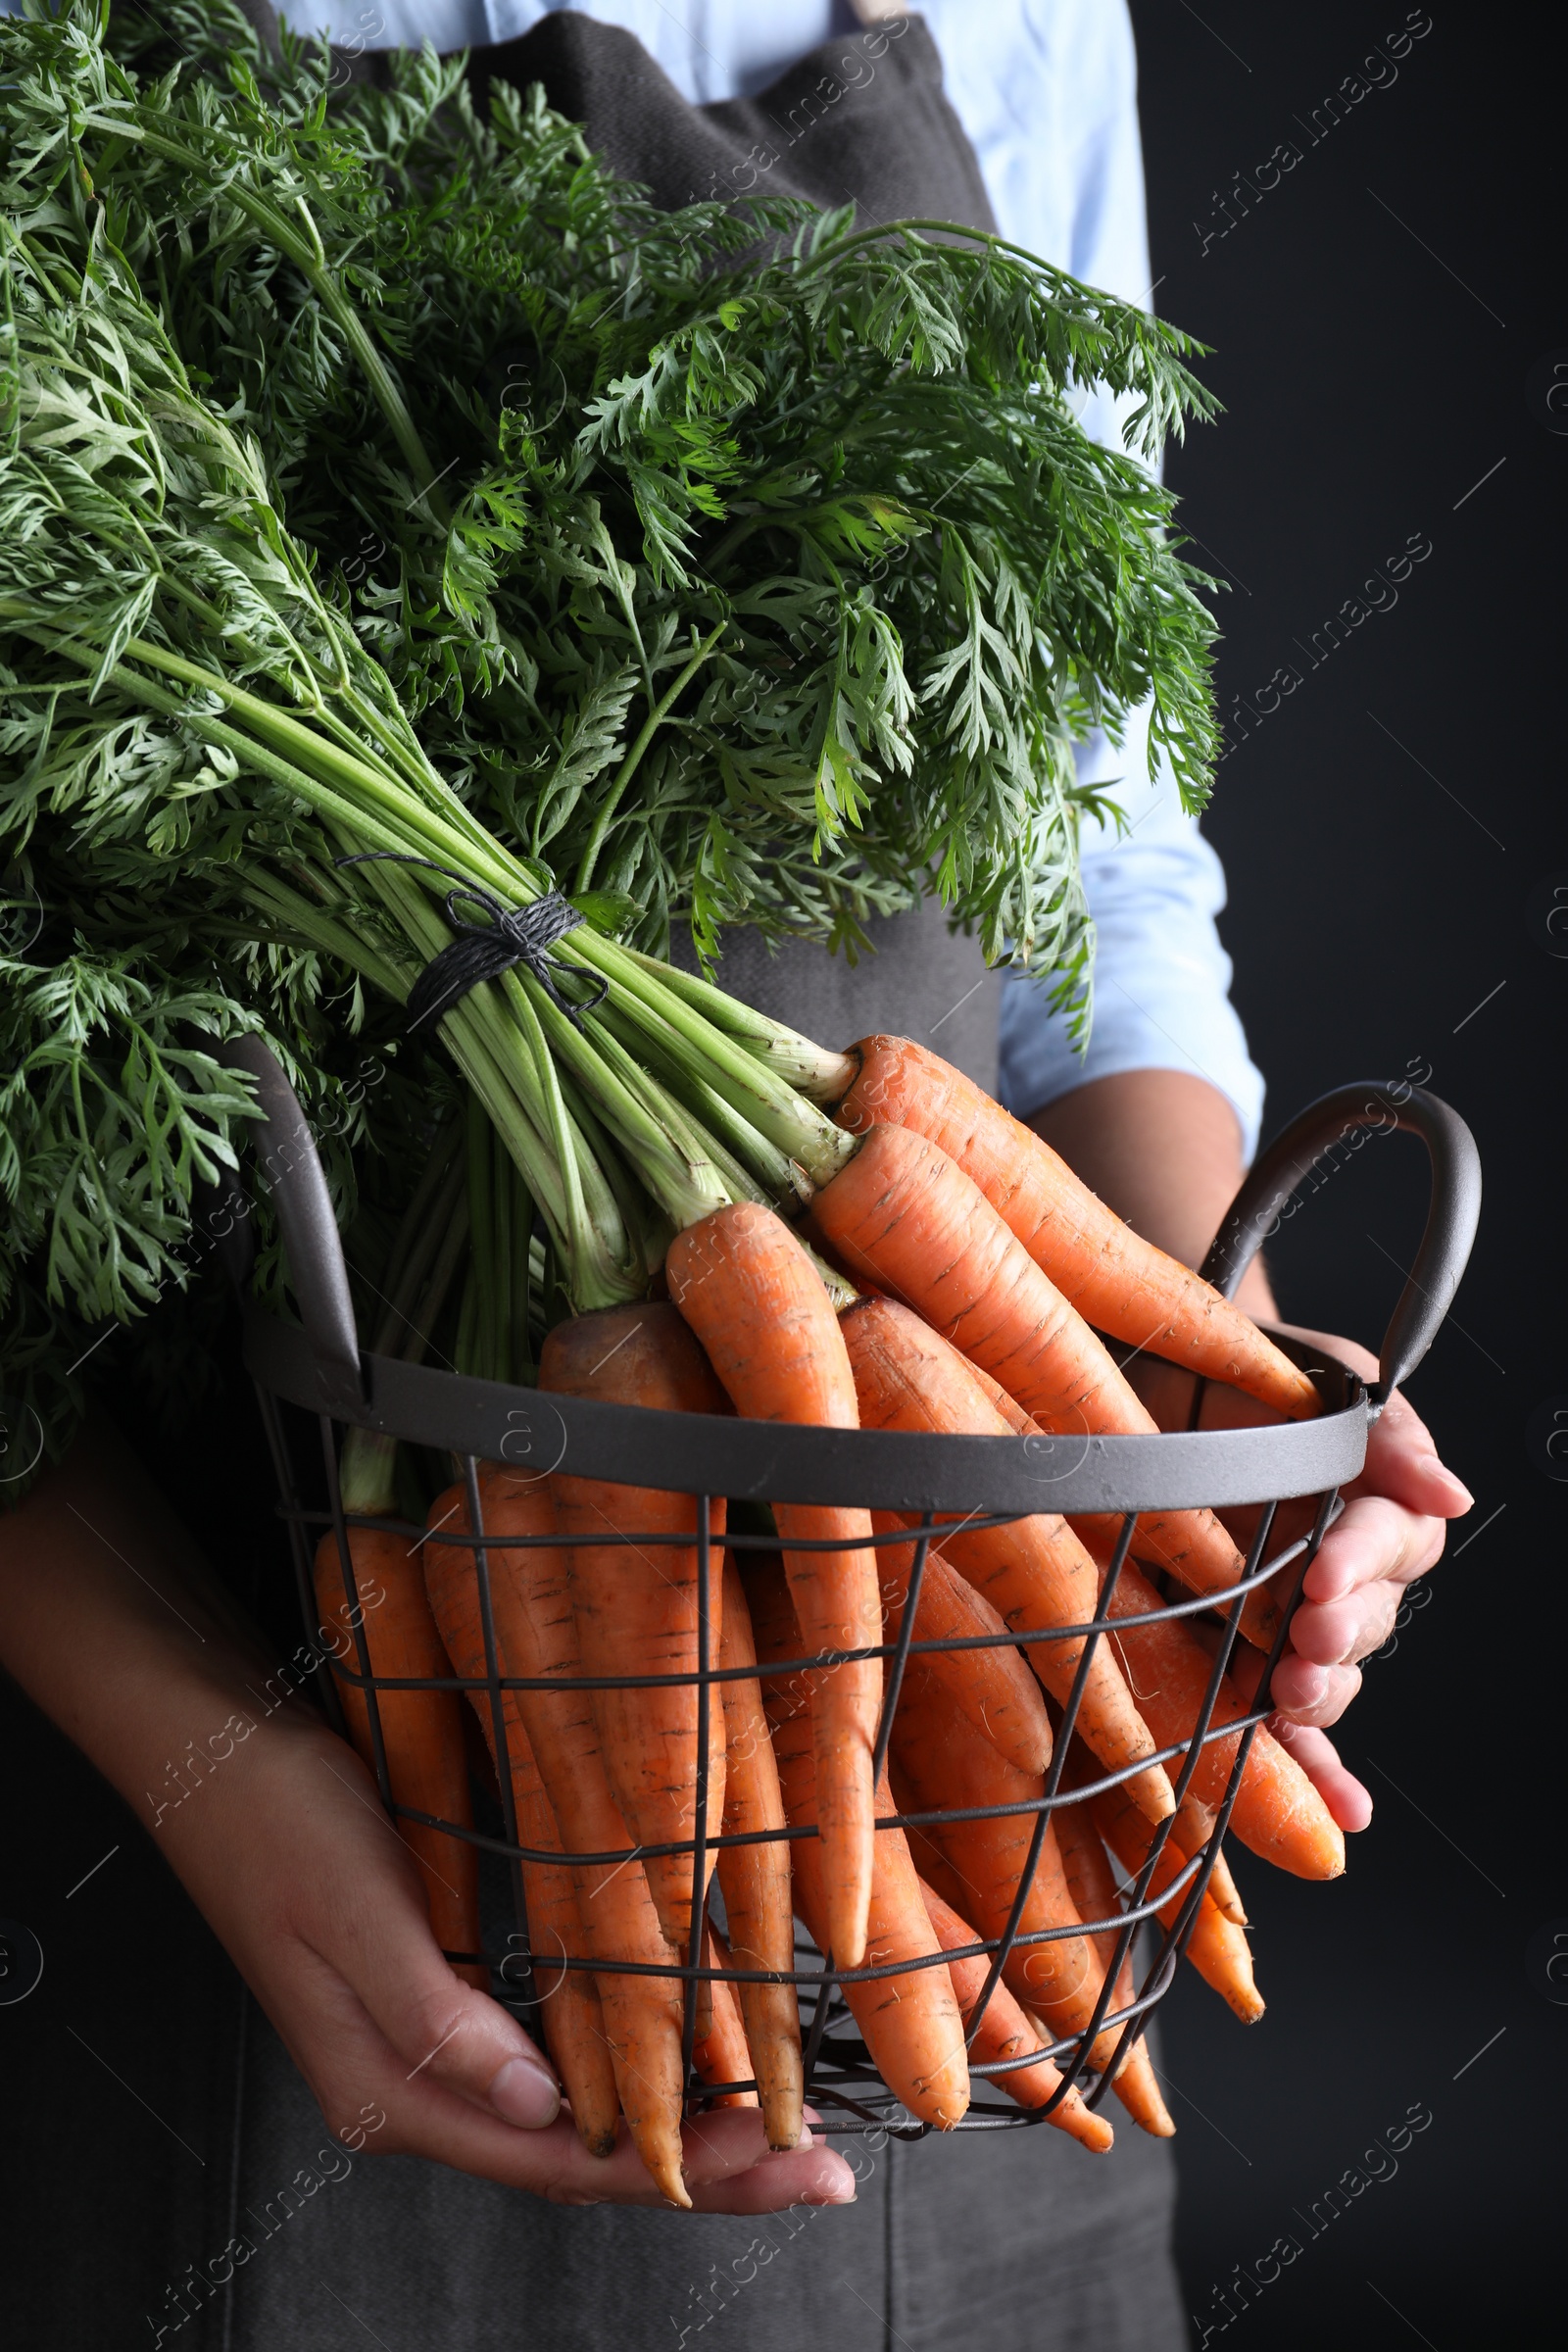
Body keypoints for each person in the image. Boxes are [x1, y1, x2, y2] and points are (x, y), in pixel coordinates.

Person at [0, 5, 1472, 2347]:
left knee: (959, 2063)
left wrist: (1188, 1362)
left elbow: (1084, 855)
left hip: (965, 1833)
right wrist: (217, 1758)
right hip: (202, 1789)